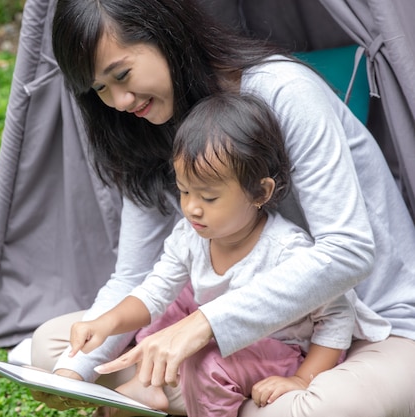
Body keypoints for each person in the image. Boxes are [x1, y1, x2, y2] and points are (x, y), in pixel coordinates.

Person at [24, 0, 415, 415]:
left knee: (306, 411)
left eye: (122, 75)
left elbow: (347, 252)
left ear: (166, 34)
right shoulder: (146, 122)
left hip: (374, 328)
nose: (119, 100)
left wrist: (204, 324)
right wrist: (73, 373)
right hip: (255, 342)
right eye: (100, 88)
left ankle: (208, 397)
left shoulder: (283, 91)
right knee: (53, 347)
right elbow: (135, 276)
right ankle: (217, 397)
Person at [67, 92, 390, 416]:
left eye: (208, 197)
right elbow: (154, 292)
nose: (192, 207)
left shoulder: (285, 250)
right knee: (168, 309)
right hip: (221, 332)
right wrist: (106, 322)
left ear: (260, 192)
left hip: (285, 349)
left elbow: (337, 315)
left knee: (204, 366)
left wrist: (303, 379)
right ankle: (145, 385)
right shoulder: (189, 236)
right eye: (184, 190)